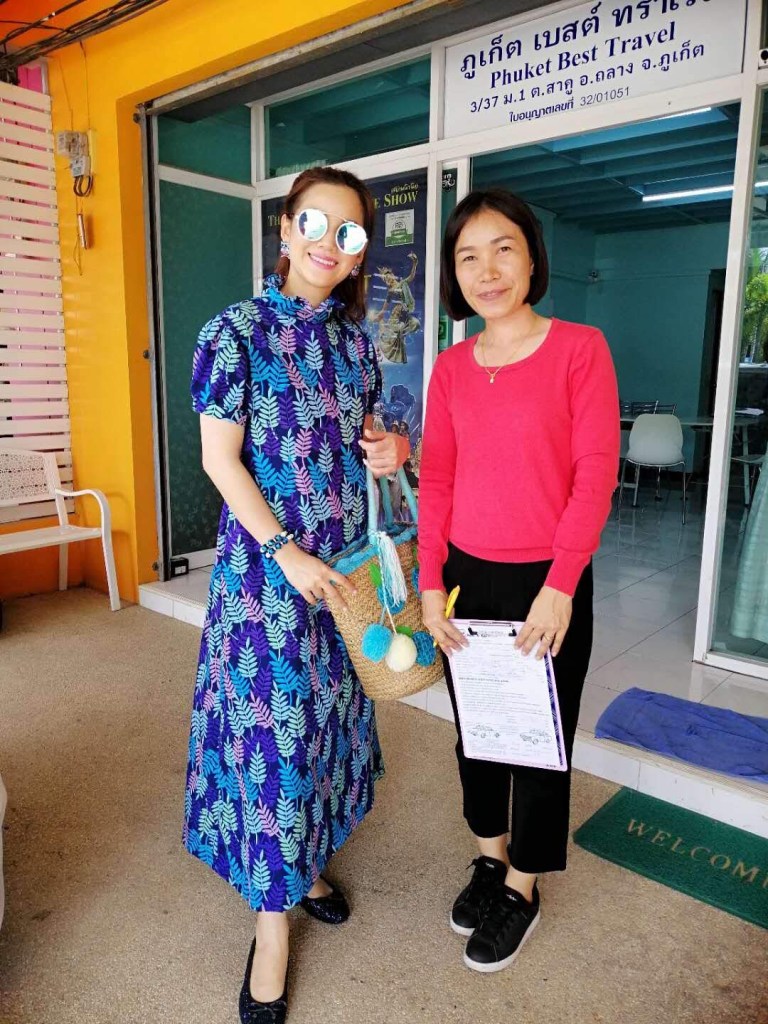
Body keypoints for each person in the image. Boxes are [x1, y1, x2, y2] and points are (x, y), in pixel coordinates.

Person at [183, 166, 408, 1024]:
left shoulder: (356, 345)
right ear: (285, 228)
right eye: (315, 222)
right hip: (268, 584)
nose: (329, 243)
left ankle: (307, 863)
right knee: (275, 741)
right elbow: (220, 460)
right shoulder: (232, 334)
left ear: (357, 255)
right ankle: (271, 928)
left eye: (349, 234)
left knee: (328, 726)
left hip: (343, 575)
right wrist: (284, 552)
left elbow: (366, 441)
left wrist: (389, 450)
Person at [418, 188, 619, 974]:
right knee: (478, 733)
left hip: (548, 579)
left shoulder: (580, 349)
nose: (487, 270)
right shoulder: (450, 367)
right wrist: (429, 583)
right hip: (466, 578)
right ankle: (490, 858)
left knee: (537, 741)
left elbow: (595, 474)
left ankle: (523, 888)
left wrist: (562, 583)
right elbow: (438, 481)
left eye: (503, 248)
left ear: (532, 256)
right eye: (468, 256)